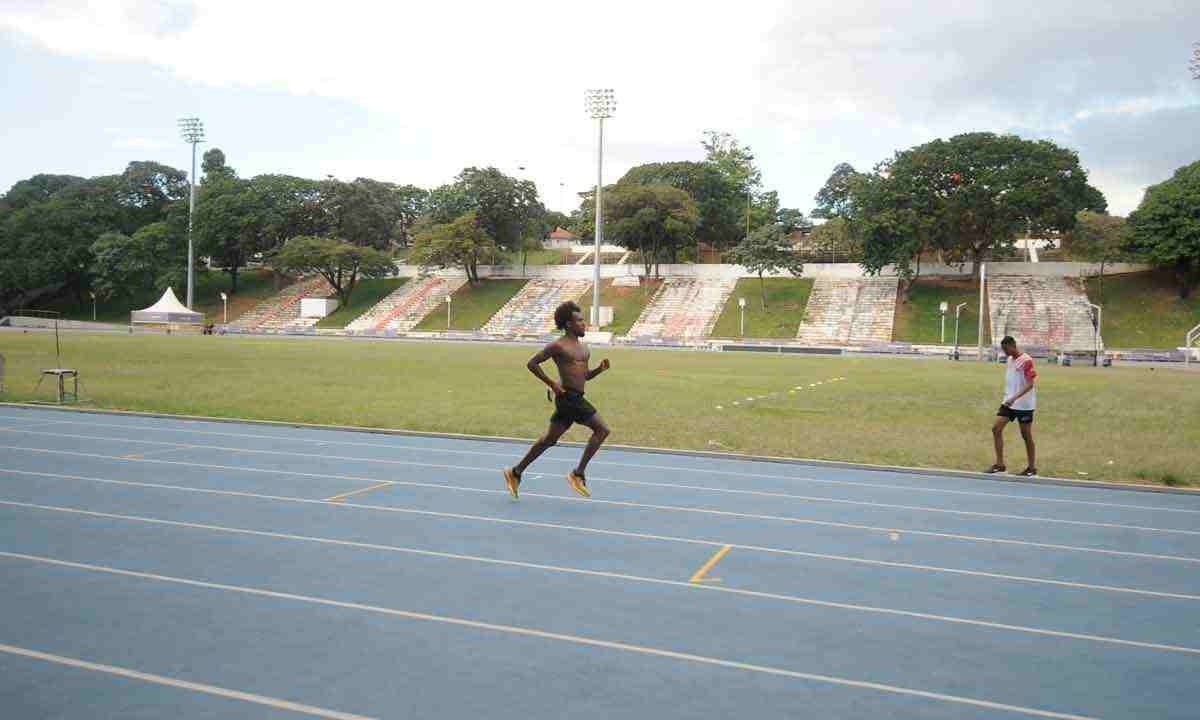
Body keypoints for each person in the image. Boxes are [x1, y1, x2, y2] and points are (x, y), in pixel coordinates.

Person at [503, 301, 610, 499]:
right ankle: (577, 474)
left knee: (549, 439)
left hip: (576, 397)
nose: (584, 323)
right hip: (567, 398)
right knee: (602, 429)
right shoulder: (558, 346)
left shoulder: (584, 349)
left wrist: (599, 370)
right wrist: (552, 384)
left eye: (583, 319)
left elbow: (584, 376)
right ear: (569, 324)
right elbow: (532, 363)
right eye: (579, 320)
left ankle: (515, 472)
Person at [988, 336, 1037, 476]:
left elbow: (1030, 384)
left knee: (1026, 435)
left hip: (1024, 405)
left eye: (1006, 349)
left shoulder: (1026, 360)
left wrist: (1015, 397)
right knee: (996, 429)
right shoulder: (1010, 360)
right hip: (1008, 403)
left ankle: (1031, 468)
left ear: (1013, 345)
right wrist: (1008, 397)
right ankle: (1000, 464)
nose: (1004, 353)